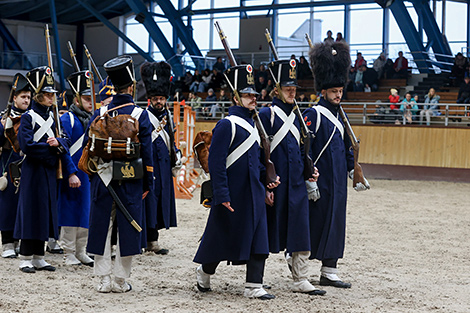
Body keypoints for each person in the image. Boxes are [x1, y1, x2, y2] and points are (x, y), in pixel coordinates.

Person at [194, 63, 279, 300]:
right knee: (220, 238)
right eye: (248, 95)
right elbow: (217, 164)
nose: (254, 98)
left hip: (254, 191)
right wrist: (221, 194)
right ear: (235, 97)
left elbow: (256, 161)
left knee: (259, 237)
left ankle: (254, 285)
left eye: (254, 94)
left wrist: (268, 179)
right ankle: (204, 271)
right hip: (232, 193)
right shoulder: (227, 125)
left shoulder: (254, 125)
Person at [83, 55, 154, 292]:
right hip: (131, 180)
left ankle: (103, 279)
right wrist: (148, 184)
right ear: (132, 86)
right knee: (128, 228)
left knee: (102, 227)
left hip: (102, 178)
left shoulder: (99, 113)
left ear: (112, 85)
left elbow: (88, 147)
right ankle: (121, 281)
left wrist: (95, 177)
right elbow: (148, 154)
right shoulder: (141, 115)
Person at [305, 40, 370, 289]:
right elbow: (306, 149)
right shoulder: (314, 115)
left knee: (336, 223)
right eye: (333, 91)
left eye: (340, 91)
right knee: (316, 221)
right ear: (323, 91)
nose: (338, 95)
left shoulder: (340, 117)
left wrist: (354, 169)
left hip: (339, 182)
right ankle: (296, 258)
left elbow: (345, 148)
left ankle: (329, 270)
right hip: (320, 180)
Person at [259, 59, 325, 295]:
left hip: (296, 182)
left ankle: (301, 277)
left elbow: (301, 150)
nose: (292, 93)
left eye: (294, 89)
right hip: (275, 183)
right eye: (288, 89)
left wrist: (310, 171)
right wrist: (264, 183)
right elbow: (260, 151)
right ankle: (256, 277)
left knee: (300, 230)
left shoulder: (298, 116)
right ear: (276, 89)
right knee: (265, 232)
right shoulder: (266, 114)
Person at [15, 66, 71, 273]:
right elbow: (26, 145)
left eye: (52, 94)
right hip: (33, 170)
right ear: (38, 96)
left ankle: (40, 256)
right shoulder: (28, 117)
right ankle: (26, 257)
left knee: (46, 211)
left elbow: (65, 140)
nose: (51, 98)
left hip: (48, 171)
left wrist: (59, 143)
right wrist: (51, 148)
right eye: (47, 95)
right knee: (31, 211)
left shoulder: (53, 117)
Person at [140, 61, 181, 256]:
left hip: (164, 166)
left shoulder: (169, 117)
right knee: (150, 202)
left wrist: (175, 156)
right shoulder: (143, 116)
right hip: (150, 165)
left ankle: (154, 240)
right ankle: (149, 239)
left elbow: (171, 139)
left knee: (161, 201)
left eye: (162, 98)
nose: (159, 101)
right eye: (156, 98)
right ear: (150, 99)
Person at [57, 70, 95, 266]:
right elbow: (63, 149)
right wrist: (71, 172)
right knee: (70, 211)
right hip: (72, 172)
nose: (90, 103)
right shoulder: (68, 119)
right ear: (77, 99)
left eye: (92, 99)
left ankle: (81, 250)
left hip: (88, 173)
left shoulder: (93, 119)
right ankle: (68, 252)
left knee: (86, 211)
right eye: (87, 99)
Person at [0, 73, 31, 259]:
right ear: (14, 98)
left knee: (23, 205)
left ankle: (19, 240)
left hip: (27, 163)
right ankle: (7, 243)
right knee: (7, 204)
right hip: (8, 163)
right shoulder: (4, 116)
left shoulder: (32, 117)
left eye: (28, 97)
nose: (26, 100)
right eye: (23, 97)